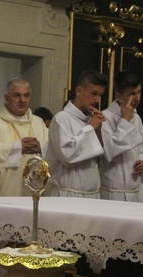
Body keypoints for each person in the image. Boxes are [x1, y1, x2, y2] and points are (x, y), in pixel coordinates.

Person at [0, 78, 48, 197]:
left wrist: (40, 147)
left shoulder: (38, 122)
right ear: (6, 98)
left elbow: (53, 149)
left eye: (26, 96)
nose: (22, 100)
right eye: (17, 95)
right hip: (5, 192)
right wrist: (17, 147)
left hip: (35, 191)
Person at [46, 70, 108, 198]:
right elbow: (67, 156)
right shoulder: (61, 118)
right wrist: (91, 127)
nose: (97, 100)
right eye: (94, 93)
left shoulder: (92, 120)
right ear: (79, 91)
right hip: (69, 194)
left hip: (93, 195)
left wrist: (98, 129)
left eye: (100, 95)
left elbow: (101, 160)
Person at [100, 70, 143, 202]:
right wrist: (125, 121)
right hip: (114, 191)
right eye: (132, 94)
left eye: (139, 92)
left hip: (135, 188)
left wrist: (142, 160)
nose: (137, 98)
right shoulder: (104, 117)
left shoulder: (137, 118)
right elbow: (110, 151)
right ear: (118, 96)